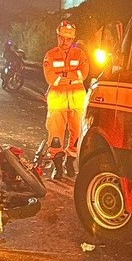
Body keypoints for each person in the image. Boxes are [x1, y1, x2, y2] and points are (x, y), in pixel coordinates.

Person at [42, 21, 89, 179]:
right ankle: (57, 166)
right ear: (58, 37)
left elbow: (84, 73)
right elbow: (50, 78)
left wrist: (63, 77)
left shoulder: (80, 54)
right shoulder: (50, 55)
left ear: (73, 39)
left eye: (68, 39)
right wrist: (72, 77)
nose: (64, 42)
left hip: (77, 101)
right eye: (61, 38)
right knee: (55, 136)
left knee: (77, 134)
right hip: (57, 101)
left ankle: (70, 162)